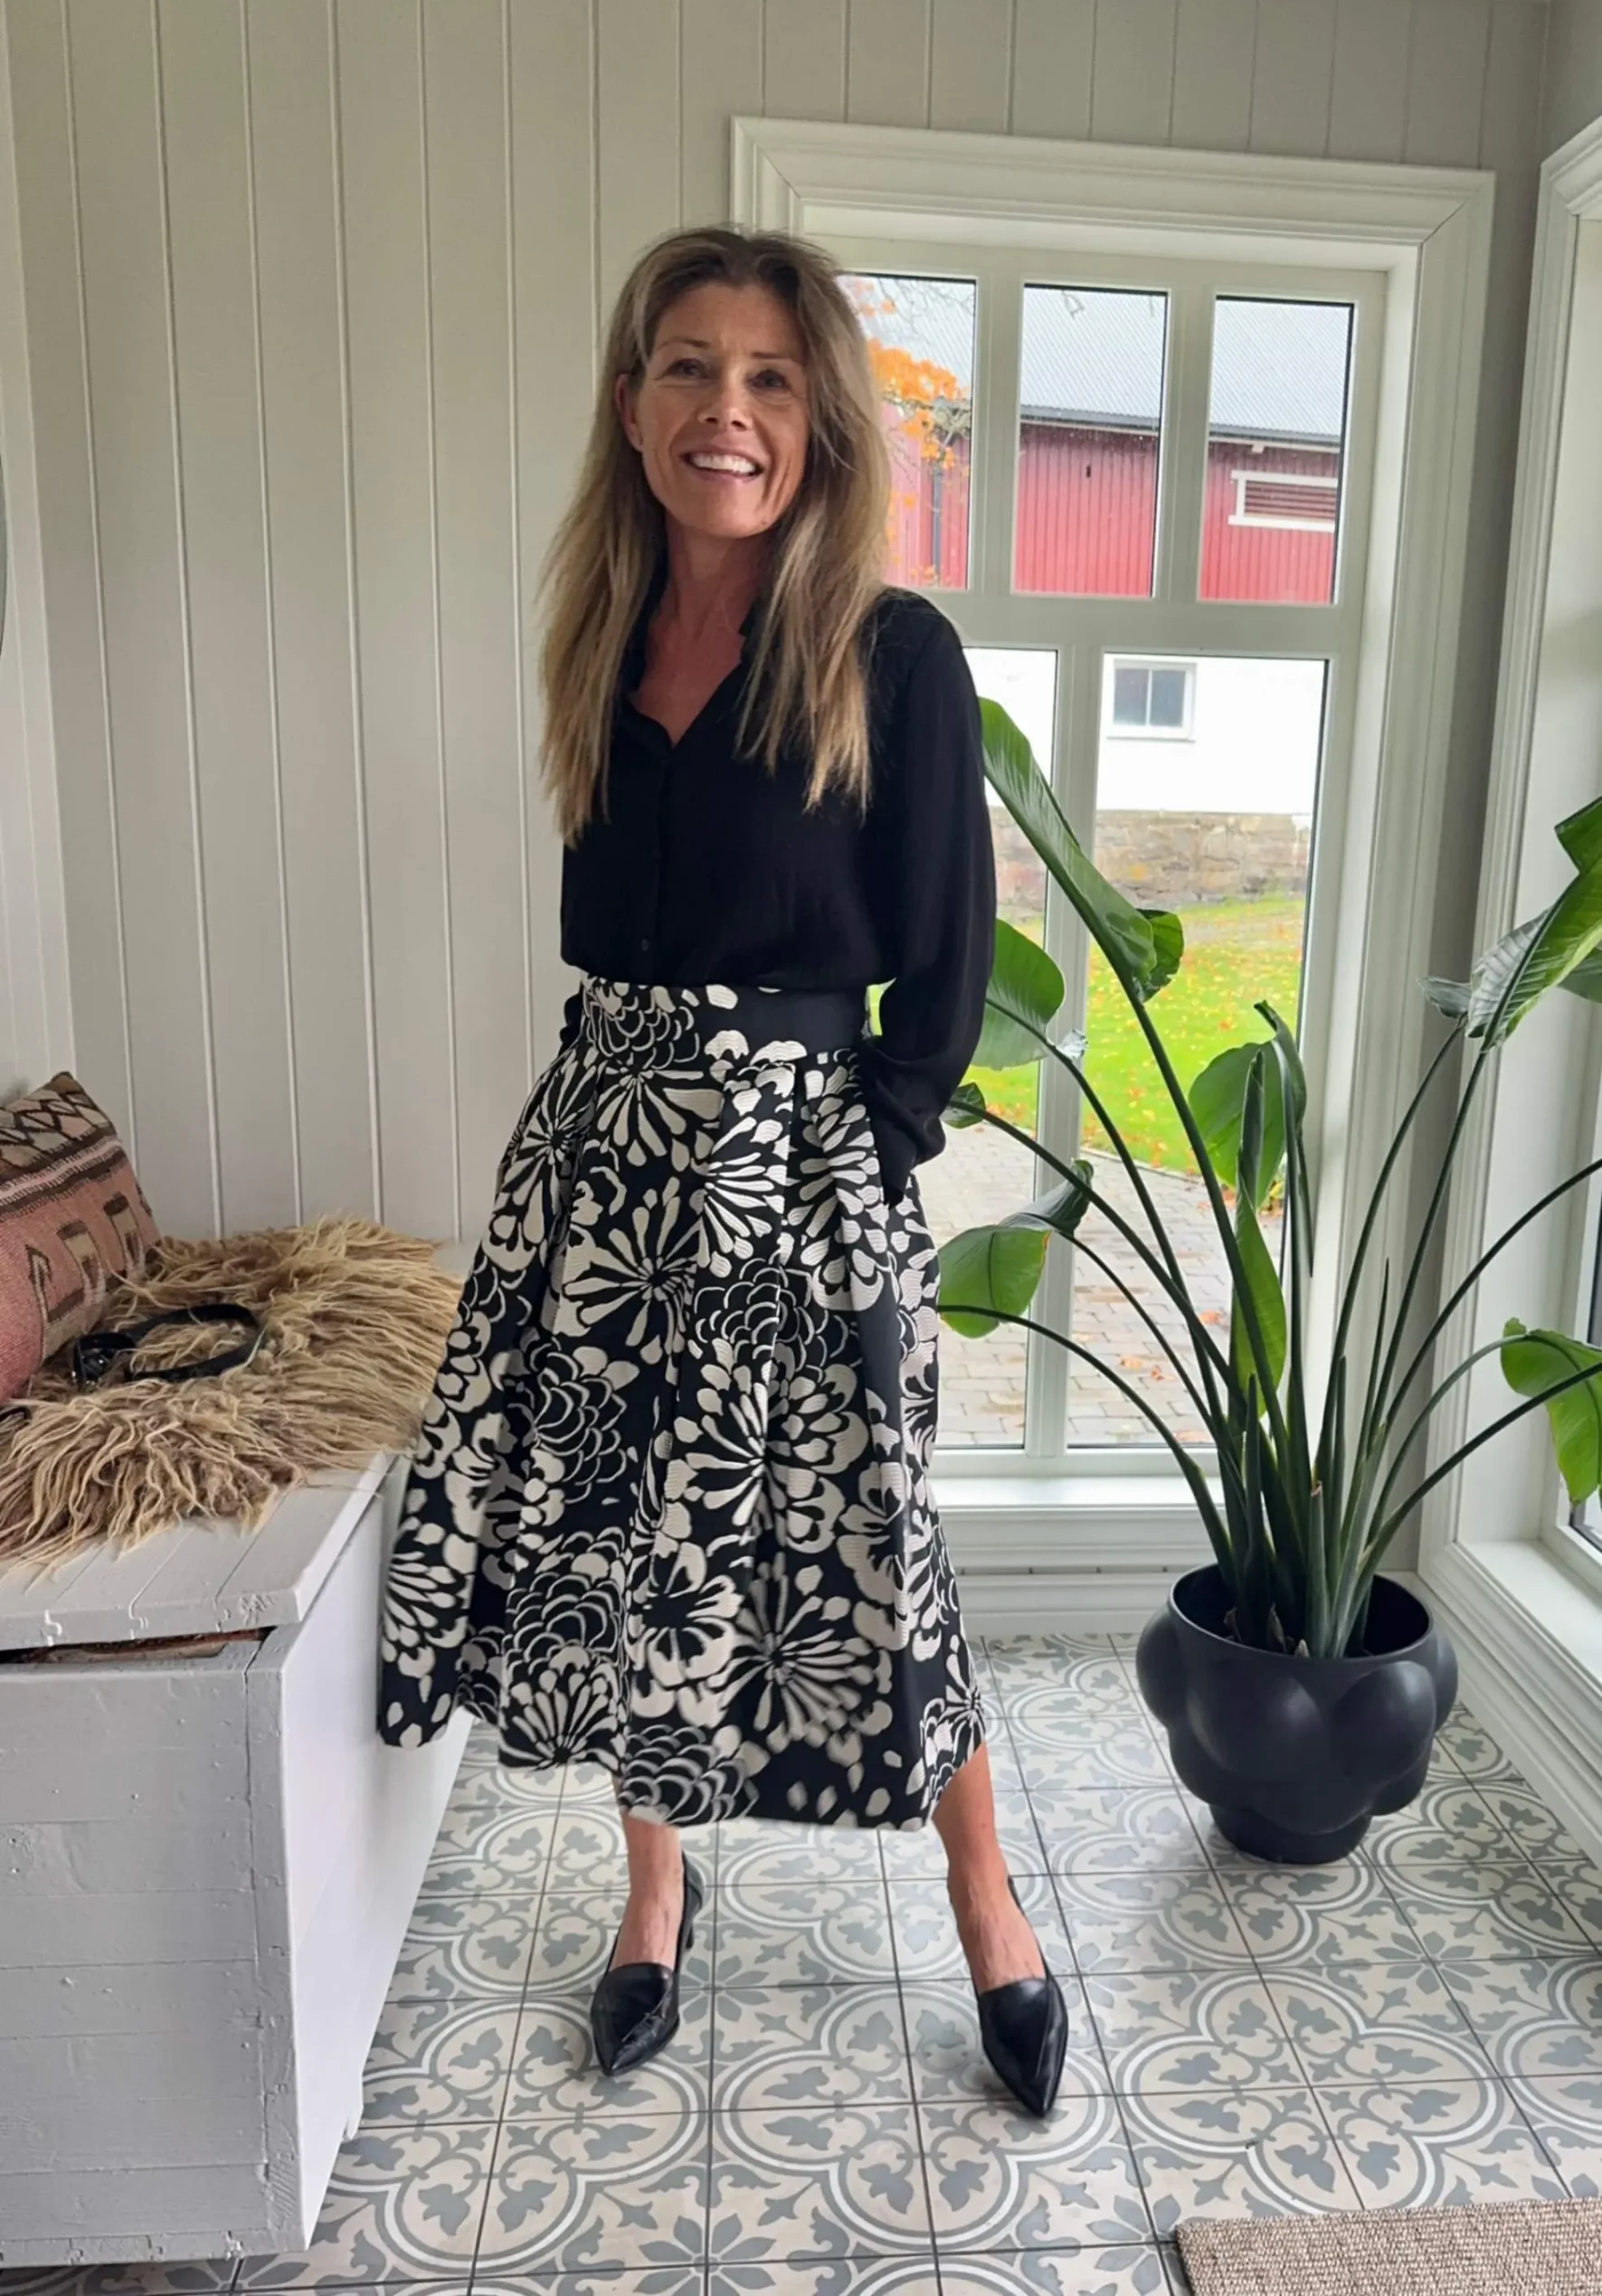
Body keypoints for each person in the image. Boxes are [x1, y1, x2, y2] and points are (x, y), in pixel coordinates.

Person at [378, 224, 1067, 2117]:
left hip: (801, 1173)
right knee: (624, 1542)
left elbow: (944, 972)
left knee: (876, 1543)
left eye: (769, 378)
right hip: (601, 1164)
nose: (727, 411)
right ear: (632, 405)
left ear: (818, 421)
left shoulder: (892, 655)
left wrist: (853, 1163)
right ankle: (654, 1894)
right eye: (688, 367)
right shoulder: (601, 644)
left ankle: (990, 1906)